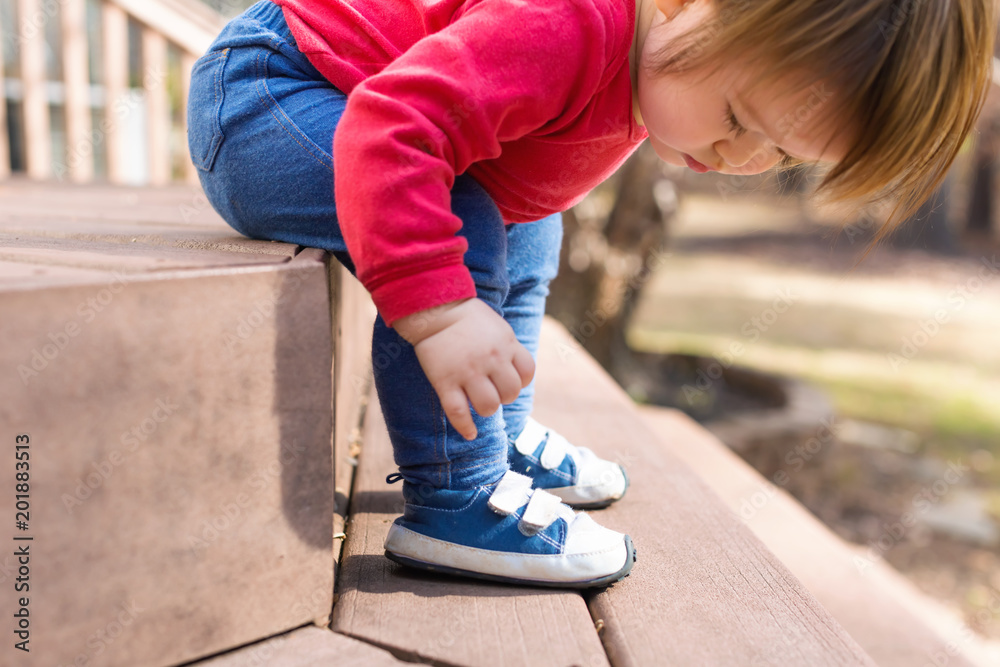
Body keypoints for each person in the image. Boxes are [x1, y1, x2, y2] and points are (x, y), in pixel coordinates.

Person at [187, 0, 995, 587]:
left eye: (781, 153)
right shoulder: (566, 22)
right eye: (738, 116)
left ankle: (492, 431)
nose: (742, 157)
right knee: (465, 217)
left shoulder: (661, 54)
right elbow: (392, 126)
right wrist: (438, 314)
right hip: (266, 101)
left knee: (532, 224)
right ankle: (455, 493)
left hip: (328, 108)